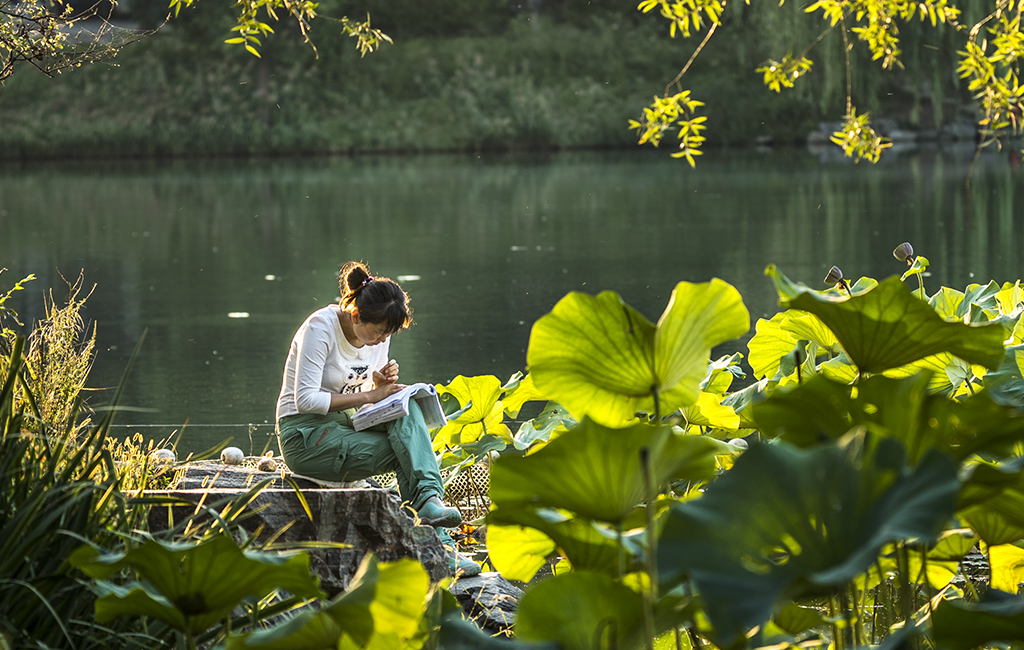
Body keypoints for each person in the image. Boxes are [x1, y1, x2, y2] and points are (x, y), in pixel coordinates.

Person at [275, 261, 479, 576]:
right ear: (356, 315)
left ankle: (429, 502)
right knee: (405, 452)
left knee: (406, 406)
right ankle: (439, 550)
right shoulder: (320, 328)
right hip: (306, 436)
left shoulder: (377, 336)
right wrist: (371, 396)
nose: (383, 340)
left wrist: (380, 386)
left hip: (349, 423)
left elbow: (367, 394)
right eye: (379, 332)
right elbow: (306, 399)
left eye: (389, 333)